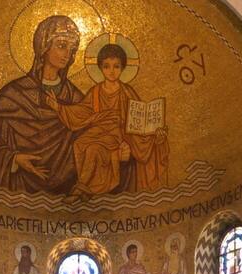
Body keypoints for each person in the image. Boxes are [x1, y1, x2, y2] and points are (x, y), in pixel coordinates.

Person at [0, 16, 85, 194]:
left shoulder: (75, 98)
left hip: (68, 195)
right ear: (44, 47)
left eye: (72, 50)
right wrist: (14, 159)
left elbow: (93, 140)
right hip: (18, 190)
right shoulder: (13, 94)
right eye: (62, 46)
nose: (67, 55)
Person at [54, 43, 169, 194]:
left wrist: (155, 134)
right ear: (101, 68)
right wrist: (59, 108)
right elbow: (82, 111)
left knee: (94, 149)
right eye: (107, 66)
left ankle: (82, 188)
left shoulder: (127, 92)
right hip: (97, 131)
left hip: (117, 134)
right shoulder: (95, 91)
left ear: (122, 68)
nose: (112, 71)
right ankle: (84, 189)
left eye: (116, 66)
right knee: (80, 143)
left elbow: (140, 121)